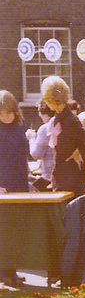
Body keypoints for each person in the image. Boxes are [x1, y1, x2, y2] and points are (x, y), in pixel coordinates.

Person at [41, 76, 85, 196]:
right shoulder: (58, 118)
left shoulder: (71, 121)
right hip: (63, 177)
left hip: (73, 178)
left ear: (52, 99)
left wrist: (79, 151)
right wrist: (54, 174)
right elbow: (58, 151)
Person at [0, 90, 30, 287]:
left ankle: (11, 271)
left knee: (16, 231)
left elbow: (22, 155)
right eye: (1, 113)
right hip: (2, 186)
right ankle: (5, 274)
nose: (5, 117)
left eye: (8, 112)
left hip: (19, 183)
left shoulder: (21, 126)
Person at [26, 99, 56, 189]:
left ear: (42, 112)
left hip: (49, 177)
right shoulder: (63, 124)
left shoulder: (45, 128)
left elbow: (36, 154)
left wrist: (31, 138)